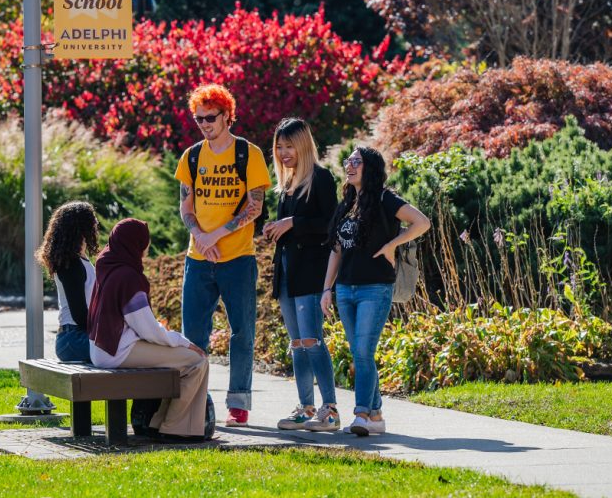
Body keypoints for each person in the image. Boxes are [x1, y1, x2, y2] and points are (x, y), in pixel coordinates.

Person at [174, 83, 271, 427]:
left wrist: (217, 234)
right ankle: (195, 403)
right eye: (199, 119)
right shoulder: (192, 156)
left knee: (242, 332)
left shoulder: (249, 154)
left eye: (210, 118)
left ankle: (239, 405)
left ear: (227, 116)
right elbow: (186, 204)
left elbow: (255, 206)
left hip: (237, 259)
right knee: (193, 338)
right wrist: (200, 236)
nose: (204, 124)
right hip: (198, 260)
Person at [321, 146, 430, 436]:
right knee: (360, 353)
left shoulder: (385, 198)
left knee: (362, 351)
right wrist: (326, 289)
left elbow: (422, 222)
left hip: (375, 287)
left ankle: (361, 415)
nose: (350, 165)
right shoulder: (346, 203)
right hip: (345, 289)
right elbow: (336, 250)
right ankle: (377, 413)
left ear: (370, 167)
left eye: (357, 161)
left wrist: (393, 244)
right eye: (348, 161)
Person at [87, 218, 210, 442]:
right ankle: (176, 428)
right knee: (196, 360)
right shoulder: (129, 278)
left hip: (102, 349)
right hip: (118, 351)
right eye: (145, 242)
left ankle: (157, 423)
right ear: (137, 243)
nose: (147, 247)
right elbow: (148, 330)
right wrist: (182, 341)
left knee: (180, 362)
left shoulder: (107, 264)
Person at [263, 118, 340, 432]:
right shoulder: (287, 184)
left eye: (289, 146)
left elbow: (329, 224)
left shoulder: (320, 178)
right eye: (279, 147)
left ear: (304, 144)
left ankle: (330, 409)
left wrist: (293, 222)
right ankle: (306, 406)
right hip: (286, 275)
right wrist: (275, 228)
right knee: (297, 343)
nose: (283, 152)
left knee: (312, 340)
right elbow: (289, 227)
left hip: (311, 273)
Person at [35, 201, 99, 362]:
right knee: (128, 350)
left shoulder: (81, 260)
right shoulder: (71, 265)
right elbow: (79, 315)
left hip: (79, 335)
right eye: (93, 221)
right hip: (74, 338)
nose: (96, 224)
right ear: (82, 227)